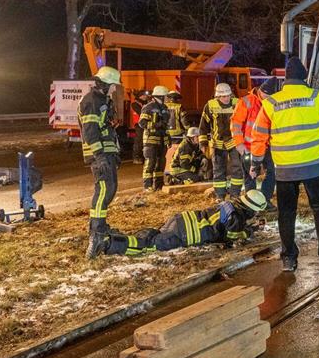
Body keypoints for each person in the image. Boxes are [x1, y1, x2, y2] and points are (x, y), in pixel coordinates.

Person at [250, 57, 319, 272]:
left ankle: (288, 258)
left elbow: (258, 136)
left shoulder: (271, 103)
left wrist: (256, 163)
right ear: (304, 77)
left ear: (286, 78)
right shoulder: (317, 96)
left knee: (286, 213)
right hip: (314, 167)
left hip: (285, 169)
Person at [87, 189, 267, 258]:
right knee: (147, 246)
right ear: (251, 209)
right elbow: (232, 235)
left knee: (152, 235)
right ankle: (106, 243)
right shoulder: (237, 217)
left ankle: (114, 239)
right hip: (185, 234)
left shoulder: (229, 204)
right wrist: (250, 232)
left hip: (180, 220)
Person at [80, 66, 123, 259]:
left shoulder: (104, 100)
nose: (115, 89)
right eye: (113, 85)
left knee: (111, 189)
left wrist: (114, 152)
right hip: (100, 154)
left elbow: (106, 127)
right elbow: (90, 131)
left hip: (108, 151)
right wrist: (100, 155)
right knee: (103, 190)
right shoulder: (91, 102)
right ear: (105, 84)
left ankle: (101, 227)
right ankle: (96, 234)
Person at [231, 77, 279, 209]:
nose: (268, 98)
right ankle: (250, 203)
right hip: (248, 147)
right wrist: (239, 143)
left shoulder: (272, 102)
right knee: (250, 175)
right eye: (267, 95)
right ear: (261, 91)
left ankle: (264, 199)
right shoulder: (246, 101)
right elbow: (236, 123)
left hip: (267, 146)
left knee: (272, 172)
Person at [199, 83, 244, 201]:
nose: (226, 98)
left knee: (237, 169)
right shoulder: (210, 106)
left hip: (234, 142)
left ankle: (235, 194)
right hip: (217, 143)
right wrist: (203, 143)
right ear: (217, 96)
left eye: (228, 95)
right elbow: (203, 126)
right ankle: (220, 195)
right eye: (223, 96)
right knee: (218, 170)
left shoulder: (237, 103)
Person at [139, 85, 170, 192]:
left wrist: (168, 138)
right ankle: (147, 186)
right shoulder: (148, 107)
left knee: (161, 163)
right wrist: (156, 124)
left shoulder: (165, 108)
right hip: (150, 140)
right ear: (161, 96)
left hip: (161, 141)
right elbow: (142, 123)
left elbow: (166, 126)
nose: (167, 98)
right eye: (166, 96)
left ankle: (159, 185)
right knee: (150, 162)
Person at [130, 90, 151, 164]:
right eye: (144, 95)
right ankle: (136, 157)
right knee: (138, 142)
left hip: (145, 125)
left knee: (145, 142)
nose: (146, 97)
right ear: (140, 96)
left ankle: (143, 157)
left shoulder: (145, 104)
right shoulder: (135, 104)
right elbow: (141, 112)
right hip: (138, 125)